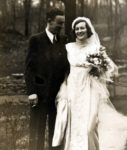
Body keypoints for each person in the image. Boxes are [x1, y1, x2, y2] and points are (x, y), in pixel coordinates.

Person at [52, 17, 127, 150]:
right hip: (73, 89)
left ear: (88, 29)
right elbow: (62, 68)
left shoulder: (96, 48)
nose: (79, 31)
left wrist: (98, 69)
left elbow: (112, 69)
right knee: (74, 125)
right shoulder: (68, 48)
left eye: (82, 28)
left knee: (89, 127)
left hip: (90, 89)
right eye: (77, 29)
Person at [25, 8, 69, 150]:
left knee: (56, 133)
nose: (61, 27)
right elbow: (29, 68)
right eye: (59, 23)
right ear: (49, 21)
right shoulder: (36, 40)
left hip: (58, 97)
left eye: (63, 23)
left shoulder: (63, 40)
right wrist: (32, 92)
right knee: (37, 132)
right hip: (40, 96)